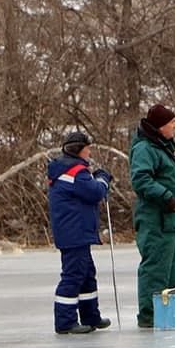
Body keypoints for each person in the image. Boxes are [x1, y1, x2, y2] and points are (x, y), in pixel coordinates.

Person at [130, 104, 175, 329]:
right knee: (156, 267)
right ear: (160, 126)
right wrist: (166, 196)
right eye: (171, 123)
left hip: (172, 220)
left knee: (172, 269)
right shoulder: (145, 149)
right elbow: (140, 179)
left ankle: (169, 312)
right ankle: (149, 315)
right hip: (155, 219)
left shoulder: (166, 147)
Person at [47, 131, 113, 334]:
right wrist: (103, 178)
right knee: (74, 275)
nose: (90, 151)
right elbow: (95, 192)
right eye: (88, 148)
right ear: (79, 150)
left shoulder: (66, 171)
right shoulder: (76, 172)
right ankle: (65, 321)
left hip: (74, 232)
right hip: (74, 233)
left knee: (86, 274)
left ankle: (90, 316)